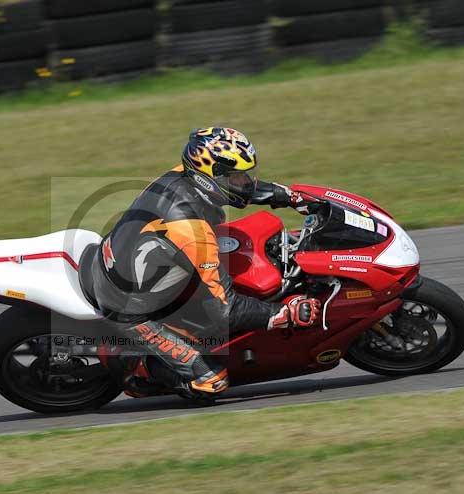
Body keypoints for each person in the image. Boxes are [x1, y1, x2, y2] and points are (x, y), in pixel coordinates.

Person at [79, 127, 322, 400]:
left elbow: (235, 190)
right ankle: (134, 366)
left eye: (245, 175)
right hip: (128, 308)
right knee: (211, 383)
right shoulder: (192, 232)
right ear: (208, 176)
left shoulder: (182, 175)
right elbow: (225, 310)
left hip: (135, 263)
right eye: (237, 176)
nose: (244, 182)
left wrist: (288, 196)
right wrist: (283, 314)